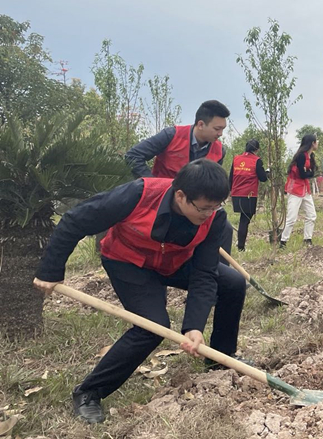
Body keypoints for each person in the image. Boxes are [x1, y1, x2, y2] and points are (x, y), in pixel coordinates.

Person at [32, 160, 247, 425]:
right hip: (128, 262)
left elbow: (204, 272)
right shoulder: (138, 194)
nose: (209, 214)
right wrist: (50, 270)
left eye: (215, 207)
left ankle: (220, 361)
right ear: (181, 196)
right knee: (152, 327)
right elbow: (75, 220)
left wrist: (194, 326)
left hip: (175, 262)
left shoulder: (215, 218)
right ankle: (89, 392)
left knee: (233, 283)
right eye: (203, 208)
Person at [125, 100, 234, 256]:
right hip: (164, 202)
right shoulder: (171, 135)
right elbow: (133, 156)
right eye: (217, 129)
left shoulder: (219, 151)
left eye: (223, 129)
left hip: (196, 205)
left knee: (225, 229)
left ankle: (212, 269)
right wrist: (152, 184)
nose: (220, 134)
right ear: (201, 124)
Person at [229, 139, 270, 251]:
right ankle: (241, 247)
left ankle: (240, 245)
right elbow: (263, 178)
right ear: (257, 149)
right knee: (245, 220)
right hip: (249, 195)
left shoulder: (236, 159)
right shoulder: (256, 160)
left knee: (243, 219)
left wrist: (229, 192)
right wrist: (268, 172)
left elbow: (231, 177)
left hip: (236, 194)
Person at [280, 134, 318, 248]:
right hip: (295, 189)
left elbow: (310, 172)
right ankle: (283, 241)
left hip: (305, 189)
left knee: (312, 215)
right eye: (316, 141)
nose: (317, 143)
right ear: (312, 143)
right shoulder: (301, 156)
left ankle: (308, 239)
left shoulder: (310, 156)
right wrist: (308, 173)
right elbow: (303, 174)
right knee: (291, 218)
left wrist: (308, 172)